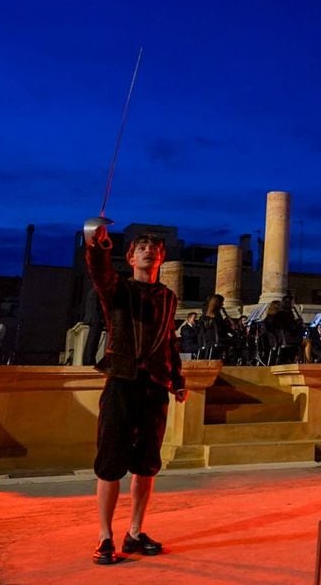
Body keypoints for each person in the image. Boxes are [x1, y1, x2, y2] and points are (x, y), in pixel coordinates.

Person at [85, 226, 185, 565]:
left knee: (147, 464)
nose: (148, 251)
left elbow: (170, 341)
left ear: (161, 257)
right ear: (130, 258)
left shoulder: (168, 297)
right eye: (141, 247)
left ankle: (135, 531)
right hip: (122, 380)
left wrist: (177, 379)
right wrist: (96, 246)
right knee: (110, 463)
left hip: (154, 385)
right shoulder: (119, 290)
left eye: (154, 248)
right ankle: (104, 536)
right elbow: (99, 274)